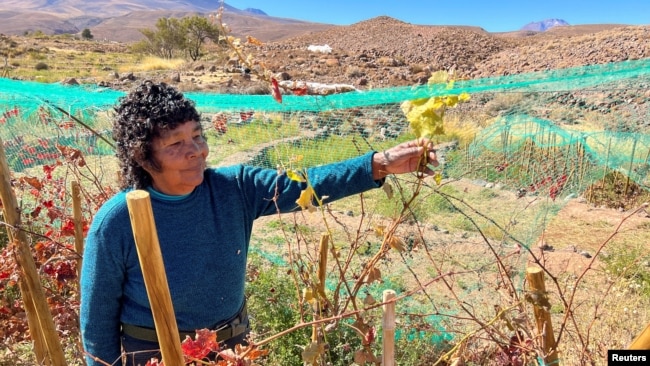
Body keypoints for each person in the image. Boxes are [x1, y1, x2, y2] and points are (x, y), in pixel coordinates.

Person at [79, 80, 439, 366]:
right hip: (152, 356)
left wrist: (378, 164)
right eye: (175, 143)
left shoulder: (234, 189)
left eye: (197, 135)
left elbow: (305, 185)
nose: (196, 150)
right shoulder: (118, 221)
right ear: (143, 155)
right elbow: (97, 325)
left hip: (231, 347)